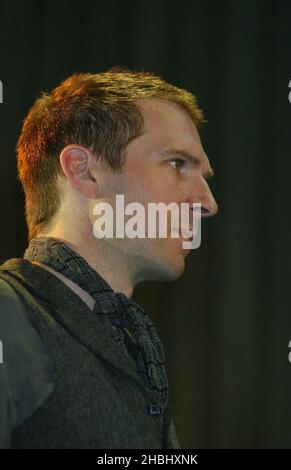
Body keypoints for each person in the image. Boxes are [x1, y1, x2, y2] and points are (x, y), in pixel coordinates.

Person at [0, 67, 218, 449]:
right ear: (85, 171)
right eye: (178, 164)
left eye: (205, 176)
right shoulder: (9, 315)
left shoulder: (130, 343)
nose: (208, 204)